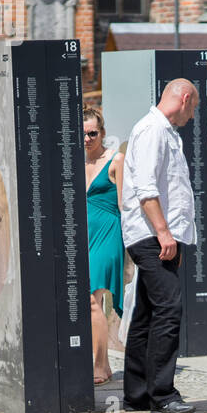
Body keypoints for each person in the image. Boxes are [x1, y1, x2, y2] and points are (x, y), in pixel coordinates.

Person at [120, 79, 199, 413]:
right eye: (193, 107)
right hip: (153, 236)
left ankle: (138, 393)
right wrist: (165, 233)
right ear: (184, 99)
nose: (193, 114)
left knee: (147, 312)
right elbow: (146, 189)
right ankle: (163, 396)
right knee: (169, 309)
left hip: (156, 235)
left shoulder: (162, 130)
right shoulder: (153, 129)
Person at [83, 104, 124, 386]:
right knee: (91, 301)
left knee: (92, 299)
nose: (87, 139)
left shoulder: (116, 160)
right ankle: (105, 363)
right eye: (82, 134)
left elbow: (125, 203)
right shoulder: (76, 161)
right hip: (82, 234)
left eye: (93, 133)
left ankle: (98, 365)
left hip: (109, 232)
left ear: (103, 132)